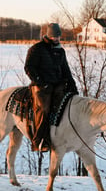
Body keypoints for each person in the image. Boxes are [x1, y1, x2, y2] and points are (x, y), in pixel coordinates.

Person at [24, 23, 78, 152]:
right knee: (44, 109)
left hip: (57, 86)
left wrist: (73, 88)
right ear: (48, 35)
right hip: (41, 87)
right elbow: (29, 68)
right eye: (54, 36)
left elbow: (66, 71)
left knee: (68, 106)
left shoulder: (60, 51)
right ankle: (39, 141)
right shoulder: (37, 49)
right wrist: (40, 82)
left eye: (58, 36)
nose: (57, 39)